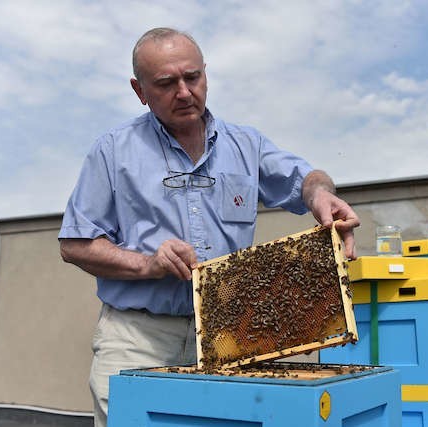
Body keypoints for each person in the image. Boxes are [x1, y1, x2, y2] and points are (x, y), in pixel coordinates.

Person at [59, 27, 359, 427]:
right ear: (140, 90)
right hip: (139, 338)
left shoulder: (245, 144)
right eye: (166, 83)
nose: (183, 92)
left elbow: (307, 177)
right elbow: (76, 244)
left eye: (192, 77)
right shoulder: (113, 150)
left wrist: (320, 196)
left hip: (229, 338)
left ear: (206, 75)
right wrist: (149, 264)